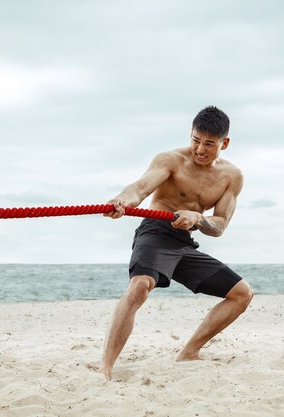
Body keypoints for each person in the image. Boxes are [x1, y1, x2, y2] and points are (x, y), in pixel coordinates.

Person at [100, 106, 253, 381]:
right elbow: (140, 188)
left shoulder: (232, 177)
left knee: (242, 294)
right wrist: (122, 200)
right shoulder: (171, 160)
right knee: (139, 287)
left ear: (224, 143)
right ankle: (106, 368)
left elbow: (219, 226)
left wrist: (197, 218)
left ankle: (189, 352)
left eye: (209, 144)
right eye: (195, 140)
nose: (200, 150)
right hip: (155, 233)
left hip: (184, 241)